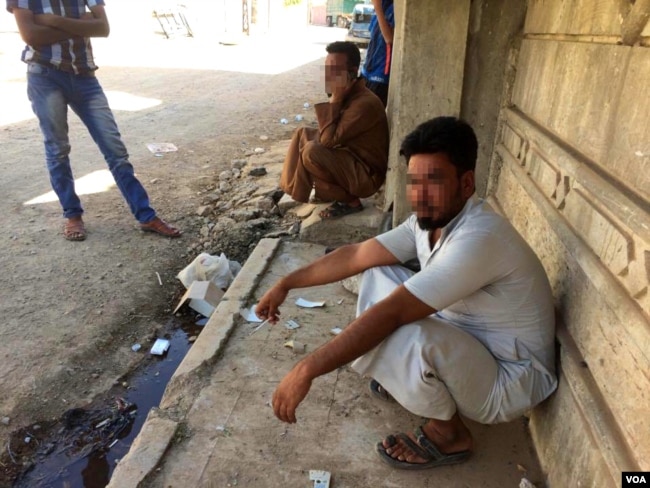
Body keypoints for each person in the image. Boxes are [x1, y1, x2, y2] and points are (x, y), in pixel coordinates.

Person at [257, 117, 557, 470]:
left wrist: (306, 368)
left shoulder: (479, 237)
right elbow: (357, 255)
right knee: (380, 272)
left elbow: (393, 314)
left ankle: (450, 434)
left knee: (401, 327)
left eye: (434, 182)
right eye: (414, 182)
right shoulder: (428, 221)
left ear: (466, 183)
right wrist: (286, 283)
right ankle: (414, 381)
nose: (419, 195)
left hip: (508, 382)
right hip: (474, 347)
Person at [7, 0, 181, 241]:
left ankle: (146, 215)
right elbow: (31, 35)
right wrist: (82, 24)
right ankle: (72, 215)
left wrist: (54, 22)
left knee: (115, 150)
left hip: (85, 77)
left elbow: (102, 29)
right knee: (57, 149)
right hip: (45, 76)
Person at [279, 41, 389, 220]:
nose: (328, 76)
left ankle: (350, 200)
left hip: (366, 176)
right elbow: (328, 134)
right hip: (351, 158)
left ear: (352, 73)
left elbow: (328, 141)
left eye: (335, 70)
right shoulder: (352, 94)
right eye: (327, 69)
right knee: (303, 134)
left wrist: (335, 99)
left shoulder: (363, 103)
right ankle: (298, 190)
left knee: (312, 152)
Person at [361, 0, 394, 107]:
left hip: (380, 74)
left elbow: (389, 38)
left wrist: (378, 8)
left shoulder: (393, 7)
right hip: (368, 70)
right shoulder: (380, 6)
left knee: (370, 112)